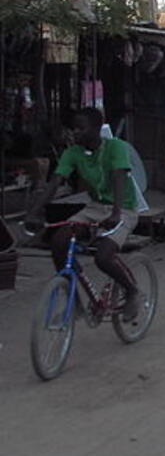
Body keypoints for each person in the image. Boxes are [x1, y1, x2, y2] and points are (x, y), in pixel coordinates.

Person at [25, 107, 144, 317]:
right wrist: (34, 212)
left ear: (97, 128)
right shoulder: (73, 153)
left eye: (81, 128)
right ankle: (76, 304)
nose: (76, 132)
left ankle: (132, 291)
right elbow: (55, 183)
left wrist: (116, 213)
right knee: (59, 242)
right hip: (94, 208)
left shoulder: (116, 147)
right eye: (74, 128)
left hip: (123, 208)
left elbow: (118, 177)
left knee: (103, 257)